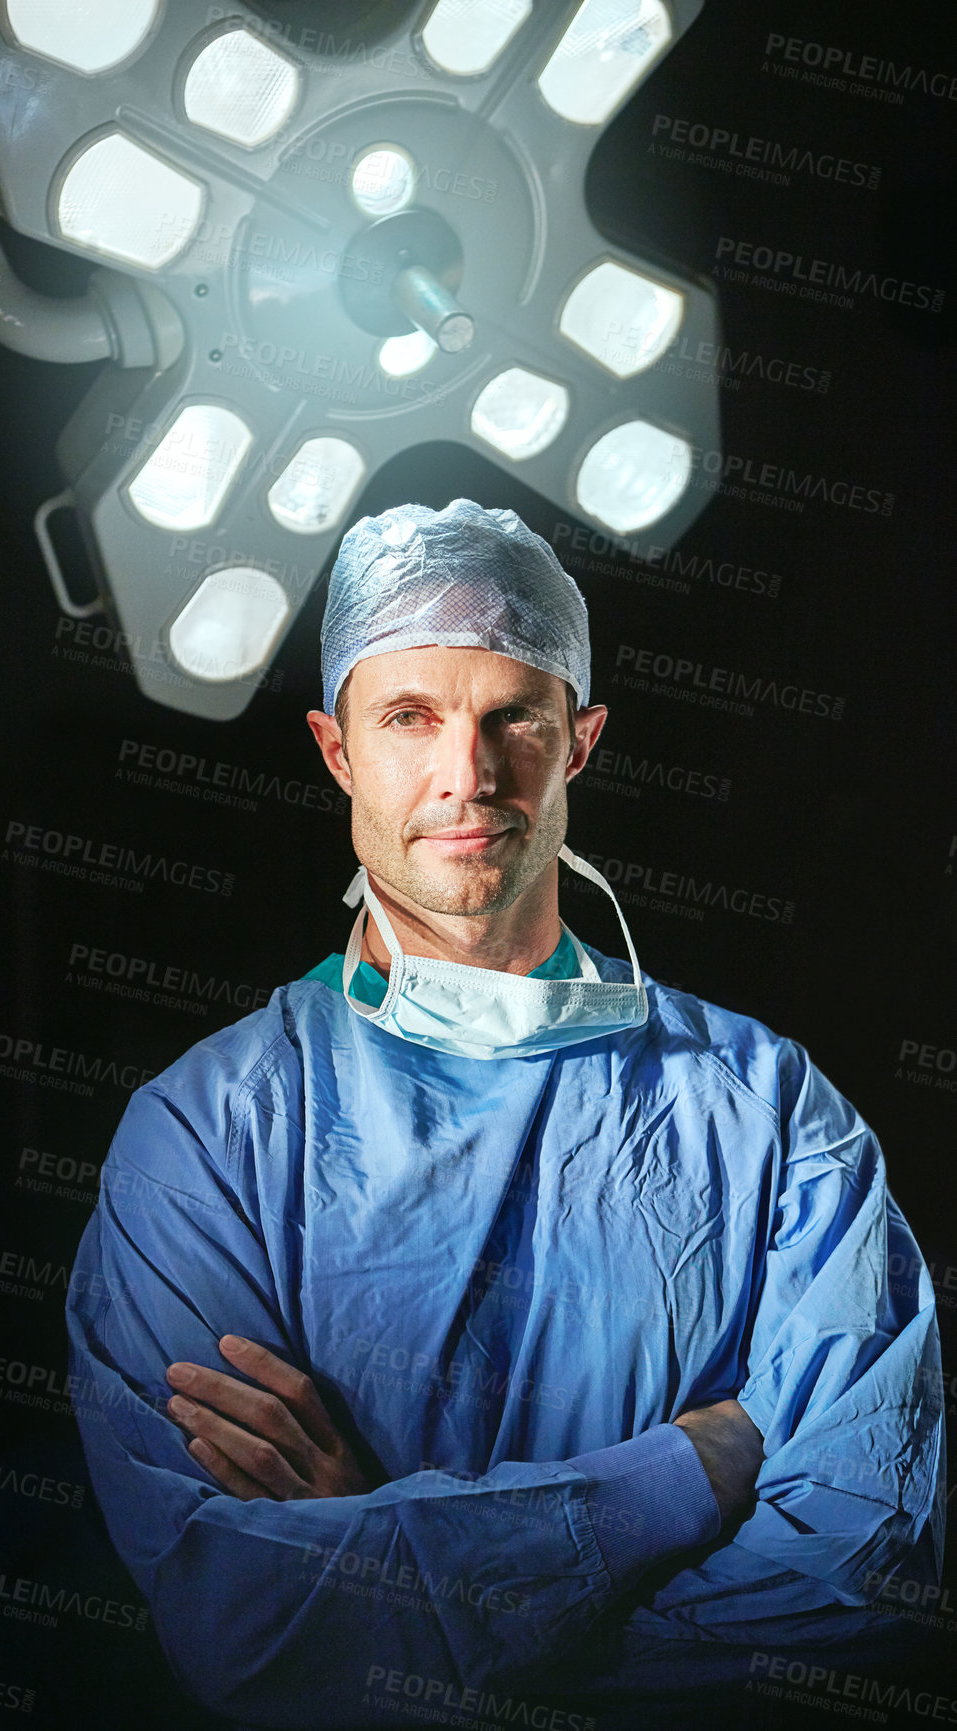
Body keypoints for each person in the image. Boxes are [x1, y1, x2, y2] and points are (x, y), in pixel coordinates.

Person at [66, 500, 944, 1730]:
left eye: (510, 717)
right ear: (336, 750)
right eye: (408, 717)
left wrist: (407, 1572)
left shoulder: (768, 1115)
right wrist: (690, 1470)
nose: (463, 776)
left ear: (577, 742)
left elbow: (861, 1577)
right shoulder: (208, 1142)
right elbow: (243, 1632)